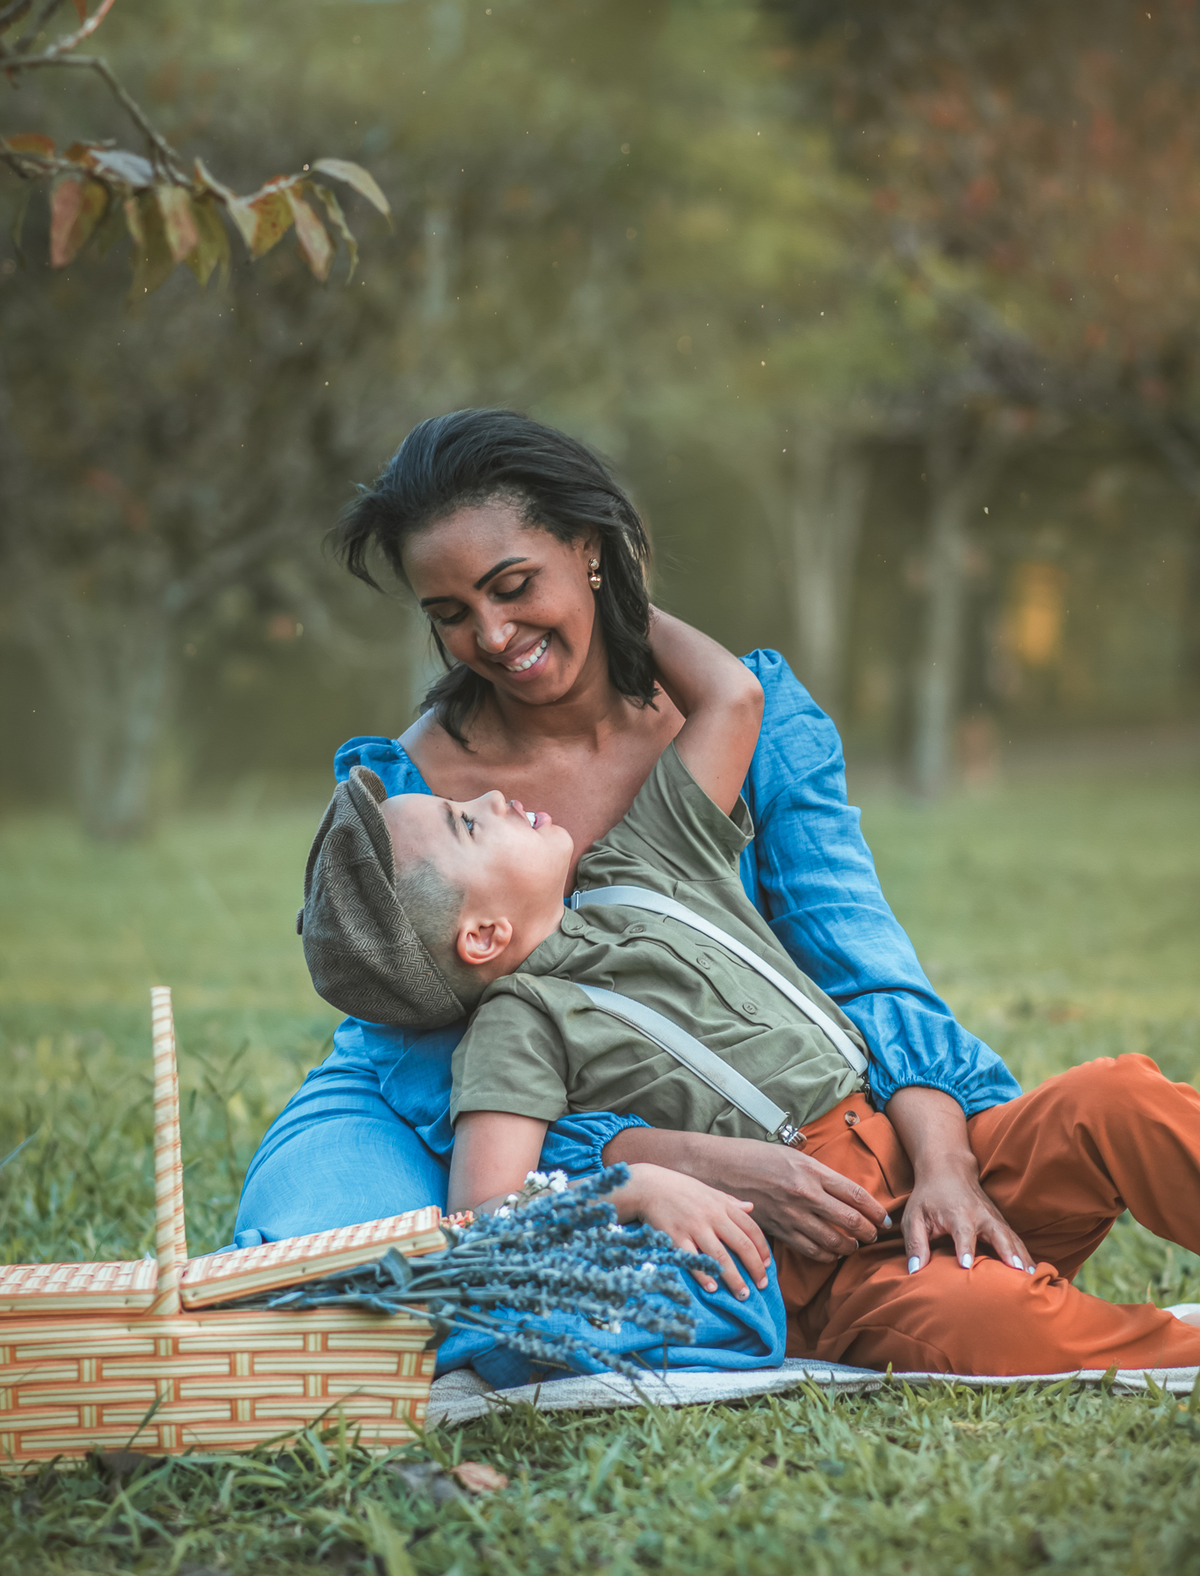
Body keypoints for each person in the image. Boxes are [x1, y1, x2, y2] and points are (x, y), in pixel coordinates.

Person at [235, 409, 1023, 1325]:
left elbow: (865, 968)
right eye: (449, 615)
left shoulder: (751, 728)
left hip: (767, 1108)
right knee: (345, 1286)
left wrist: (944, 1160)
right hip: (449, 1122)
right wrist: (659, 1163)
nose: (493, 635)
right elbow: (437, 1079)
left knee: (1030, 1176)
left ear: (589, 548)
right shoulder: (409, 788)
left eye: (515, 586)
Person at [300, 596, 1200, 1381]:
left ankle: (1025, 1263)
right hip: (832, 1269)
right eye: (466, 822)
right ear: (483, 936)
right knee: (977, 1319)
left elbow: (732, 697)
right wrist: (631, 1189)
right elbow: (485, 1216)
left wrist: (600, 592)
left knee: (1115, 1096)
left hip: (937, 1154)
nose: (492, 798)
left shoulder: (644, 863)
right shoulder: (516, 1024)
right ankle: (1163, 1346)